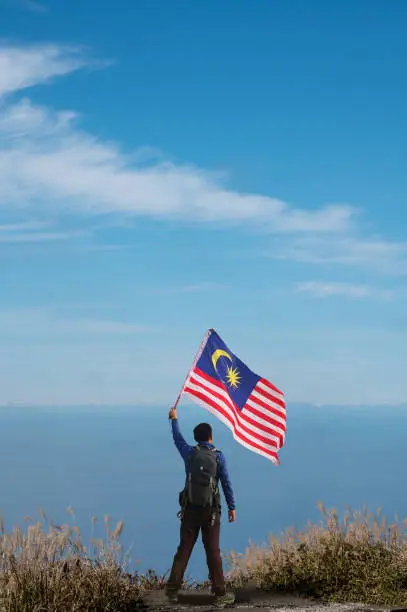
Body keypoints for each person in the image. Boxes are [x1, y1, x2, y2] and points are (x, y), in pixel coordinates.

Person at [166, 406, 236, 608]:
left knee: (184, 549)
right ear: (211, 437)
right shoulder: (218, 457)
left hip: (190, 510)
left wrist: (174, 419)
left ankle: (172, 590)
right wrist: (232, 506)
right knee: (213, 551)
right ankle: (220, 593)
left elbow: (177, 439)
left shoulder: (189, 454)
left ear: (196, 438)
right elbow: (226, 483)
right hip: (211, 512)